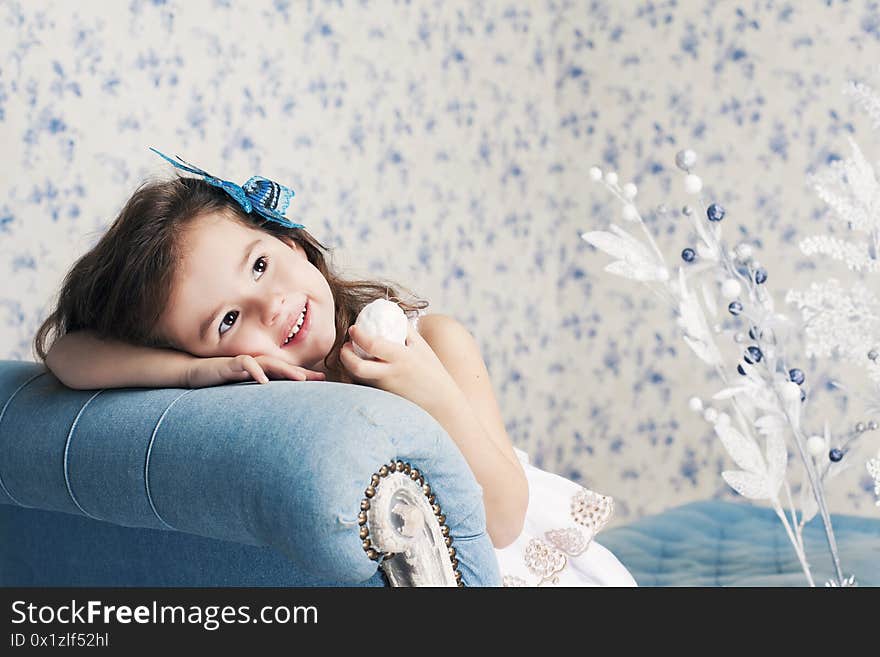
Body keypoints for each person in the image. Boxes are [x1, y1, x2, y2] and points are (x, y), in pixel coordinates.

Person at [34, 149, 636, 587]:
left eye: (261, 265)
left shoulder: (438, 341)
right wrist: (192, 373)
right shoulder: (241, 390)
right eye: (226, 320)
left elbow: (504, 519)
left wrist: (428, 388)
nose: (269, 306)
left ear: (290, 242)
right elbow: (68, 356)